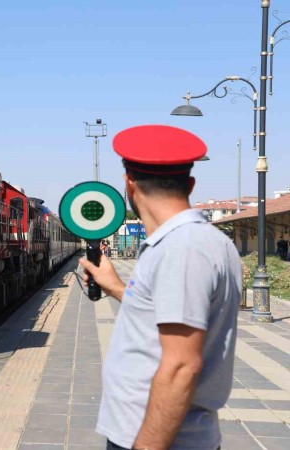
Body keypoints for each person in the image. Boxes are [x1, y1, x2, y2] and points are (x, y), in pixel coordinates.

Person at [79, 125, 241, 450]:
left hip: (159, 439)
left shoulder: (183, 249)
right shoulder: (189, 243)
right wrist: (116, 288)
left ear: (129, 183)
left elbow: (182, 365)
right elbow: (165, 315)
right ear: (190, 184)